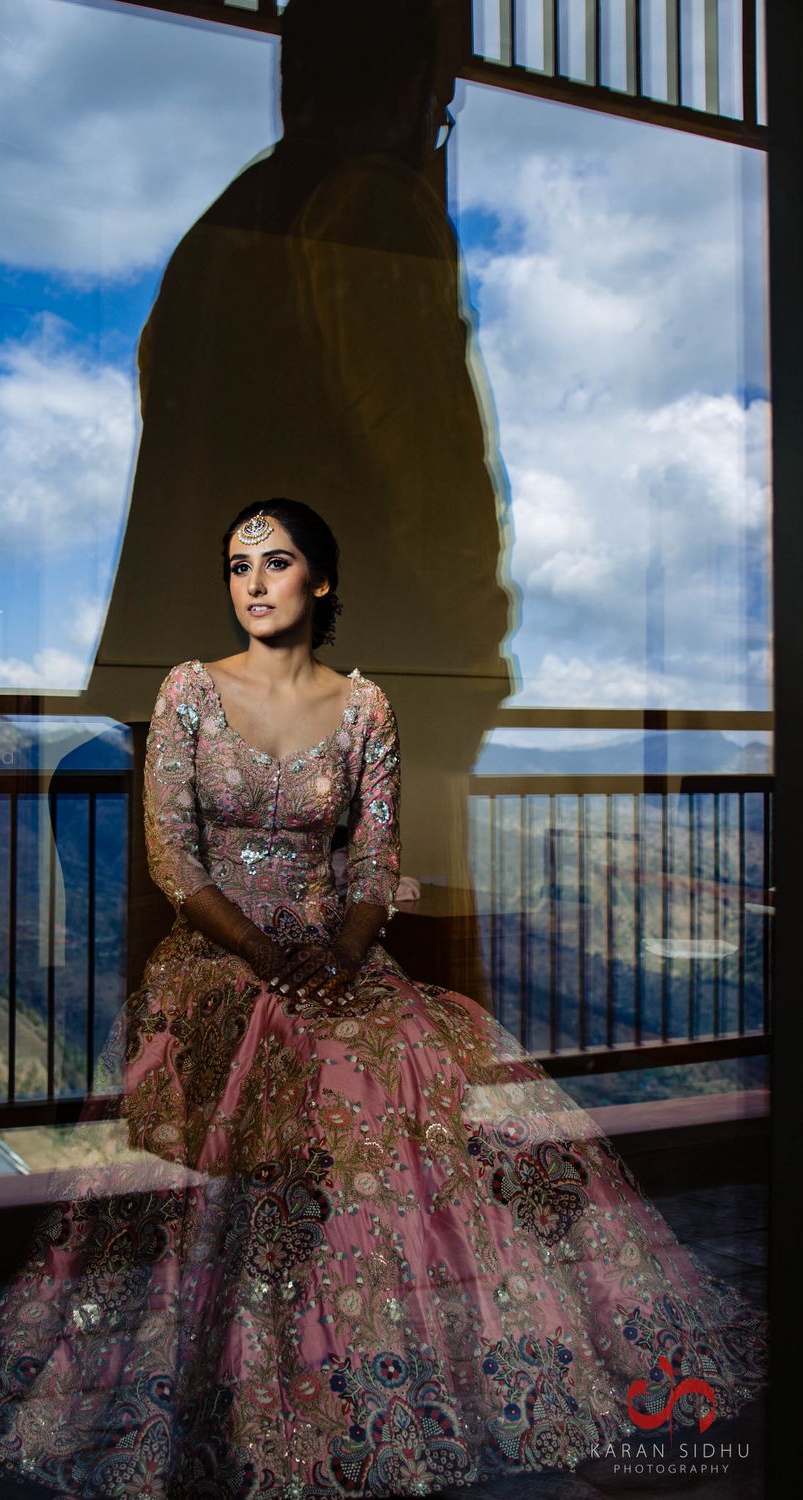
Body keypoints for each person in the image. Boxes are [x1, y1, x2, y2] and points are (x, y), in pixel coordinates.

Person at [0, 501, 766, 1497]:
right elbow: (172, 861)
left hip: (336, 958)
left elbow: (373, 863)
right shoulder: (189, 691)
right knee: (304, 1057)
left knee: (422, 1055)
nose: (254, 582)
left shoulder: (366, 708)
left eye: (276, 562)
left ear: (320, 580)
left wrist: (344, 951)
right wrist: (272, 959)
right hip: (217, 962)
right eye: (238, 565)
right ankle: (274, 1373)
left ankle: (411, 1348)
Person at [85, 0, 519, 909]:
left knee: (212, 1029)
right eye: (439, 118)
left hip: (183, 707)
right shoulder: (368, 206)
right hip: (339, 724)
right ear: (408, 94)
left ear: (294, 82)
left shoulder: (211, 240)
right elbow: (432, 478)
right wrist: (472, 666)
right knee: (383, 1036)